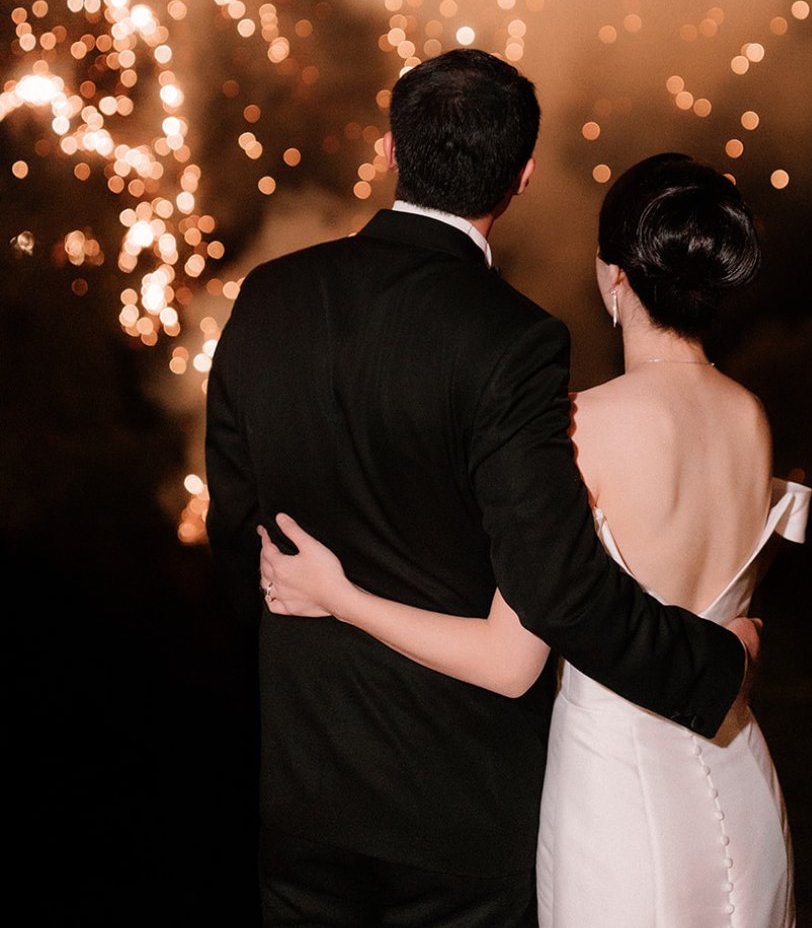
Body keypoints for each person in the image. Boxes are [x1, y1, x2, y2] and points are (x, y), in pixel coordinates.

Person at [206, 50, 758, 927]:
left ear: (389, 150)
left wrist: (313, 649)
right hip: (458, 808)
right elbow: (559, 584)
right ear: (524, 177)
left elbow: (236, 528)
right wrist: (713, 663)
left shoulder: (269, 297)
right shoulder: (516, 341)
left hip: (305, 791)